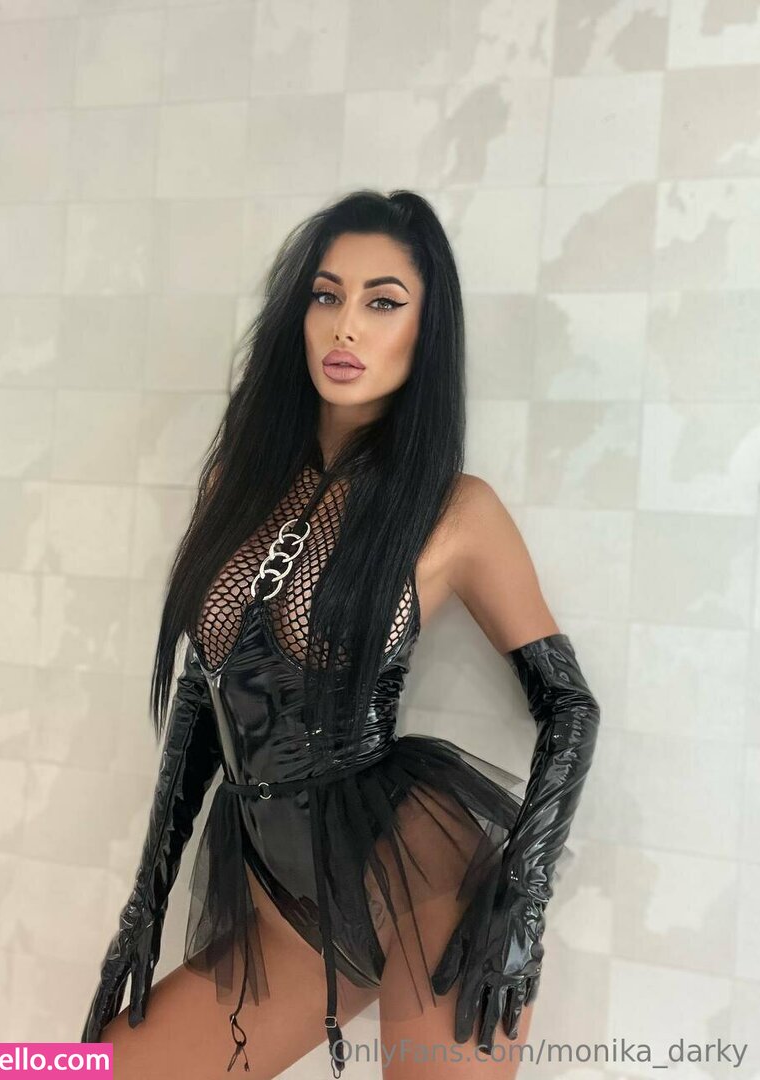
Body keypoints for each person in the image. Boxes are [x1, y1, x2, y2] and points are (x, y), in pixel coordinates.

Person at [80, 190, 600, 1080]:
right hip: (286, 897)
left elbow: (569, 705)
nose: (345, 325)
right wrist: (144, 904)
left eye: (382, 302)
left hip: (424, 878)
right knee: (64, 1070)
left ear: (425, 333)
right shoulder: (235, 485)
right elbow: (206, 691)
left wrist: (523, 899)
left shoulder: (455, 511)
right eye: (326, 295)